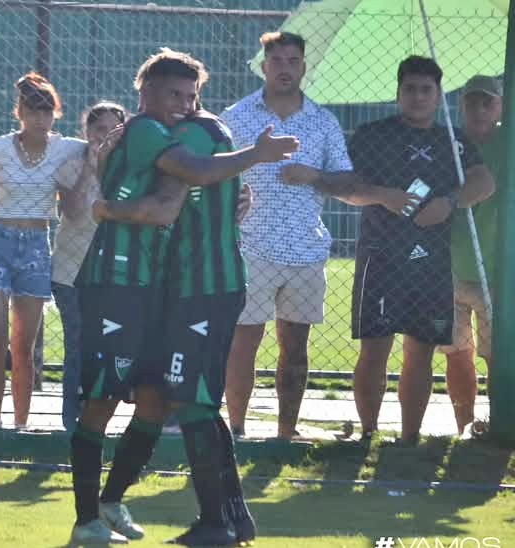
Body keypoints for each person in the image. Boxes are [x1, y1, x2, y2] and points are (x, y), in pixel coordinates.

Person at [69, 47, 298, 546]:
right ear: (145, 90)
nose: (184, 104)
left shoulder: (189, 129)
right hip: (117, 284)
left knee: (168, 400)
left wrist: (112, 208)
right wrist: (253, 159)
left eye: (191, 96)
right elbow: (173, 198)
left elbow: (176, 199)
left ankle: (176, 512)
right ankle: (89, 519)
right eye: (174, 94)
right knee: (118, 399)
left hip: (169, 290)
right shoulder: (150, 131)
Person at [344, 56, 493, 444]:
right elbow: (346, 188)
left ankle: (409, 439)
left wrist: (450, 201)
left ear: (439, 95)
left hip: (431, 262)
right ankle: (368, 434)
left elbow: (484, 182)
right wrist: (383, 196)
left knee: (421, 350)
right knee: (375, 349)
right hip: (381, 255)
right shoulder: (372, 135)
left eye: (426, 90)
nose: (418, 96)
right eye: (410, 89)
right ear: (398, 93)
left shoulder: (452, 141)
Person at [220, 31, 353, 439]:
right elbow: (213, 170)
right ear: (264, 67)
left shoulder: (323, 121)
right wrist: (231, 198)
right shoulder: (237, 116)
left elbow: (345, 181)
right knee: (242, 344)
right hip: (249, 248)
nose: (285, 69)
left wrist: (314, 176)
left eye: (293, 61)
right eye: (277, 61)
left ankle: (286, 434)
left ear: (304, 67)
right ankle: (236, 430)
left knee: (295, 348)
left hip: (306, 251)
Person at [0, 72, 86, 430]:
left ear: (55, 114)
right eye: (33, 111)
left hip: (36, 247)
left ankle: (20, 426)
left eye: (47, 111)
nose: (40, 118)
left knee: (24, 347)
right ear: (20, 113)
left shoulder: (66, 148)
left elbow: (100, 147)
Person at [50, 101, 128, 433]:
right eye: (99, 129)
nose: (105, 136)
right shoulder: (72, 166)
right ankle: (72, 419)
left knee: (112, 346)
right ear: (87, 131)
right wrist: (90, 168)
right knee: (77, 345)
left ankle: (100, 415)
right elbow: (70, 210)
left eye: (113, 130)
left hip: (112, 273)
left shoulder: (129, 167)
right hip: (70, 272)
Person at [439, 75, 503, 433]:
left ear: (501, 107)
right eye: (471, 102)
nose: (479, 109)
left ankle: (499, 425)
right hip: (448, 269)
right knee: (456, 353)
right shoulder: (448, 143)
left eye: (487, 102)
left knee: (498, 356)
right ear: (460, 105)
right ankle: (464, 427)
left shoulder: (508, 142)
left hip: (498, 272)